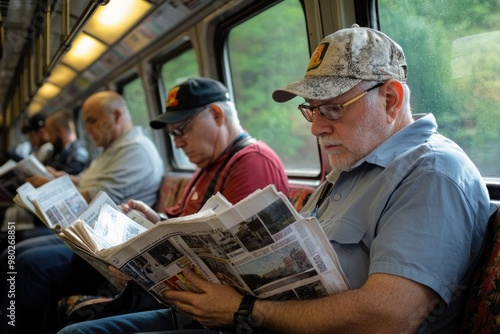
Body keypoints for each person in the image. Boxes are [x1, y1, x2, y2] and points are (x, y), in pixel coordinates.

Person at [59, 25, 496, 334]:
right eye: (311, 110)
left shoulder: (431, 173)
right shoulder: (349, 167)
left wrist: (246, 310)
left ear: (391, 98)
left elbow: (389, 318)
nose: (315, 128)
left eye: (333, 109)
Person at [56, 77, 289, 327]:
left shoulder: (251, 163)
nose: (177, 143)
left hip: (216, 314)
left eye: (181, 130)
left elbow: (236, 266)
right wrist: (152, 219)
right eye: (172, 135)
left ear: (217, 115)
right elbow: (181, 224)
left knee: (78, 327)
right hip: (182, 296)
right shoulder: (205, 168)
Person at [0, 91, 165, 334]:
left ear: (117, 115)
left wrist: (50, 186)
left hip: (105, 248)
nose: (87, 128)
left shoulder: (135, 150)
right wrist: (66, 179)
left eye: (92, 120)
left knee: (25, 262)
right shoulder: (111, 149)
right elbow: (90, 184)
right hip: (87, 233)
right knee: (15, 250)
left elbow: (98, 197)